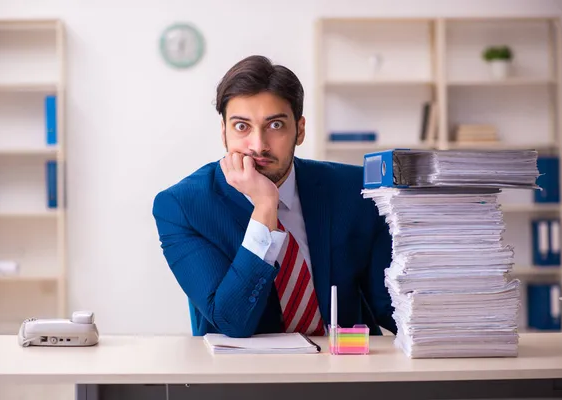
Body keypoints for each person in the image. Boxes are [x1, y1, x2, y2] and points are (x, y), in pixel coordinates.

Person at [152, 55, 396, 338]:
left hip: (347, 369)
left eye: (275, 125)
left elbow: (392, 306)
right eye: (242, 126)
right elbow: (231, 322)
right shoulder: (183, 206)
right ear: (224, 133)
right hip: (242, 376)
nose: (258, 145)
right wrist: (265, 208)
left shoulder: (357, 190)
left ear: (299, 130)